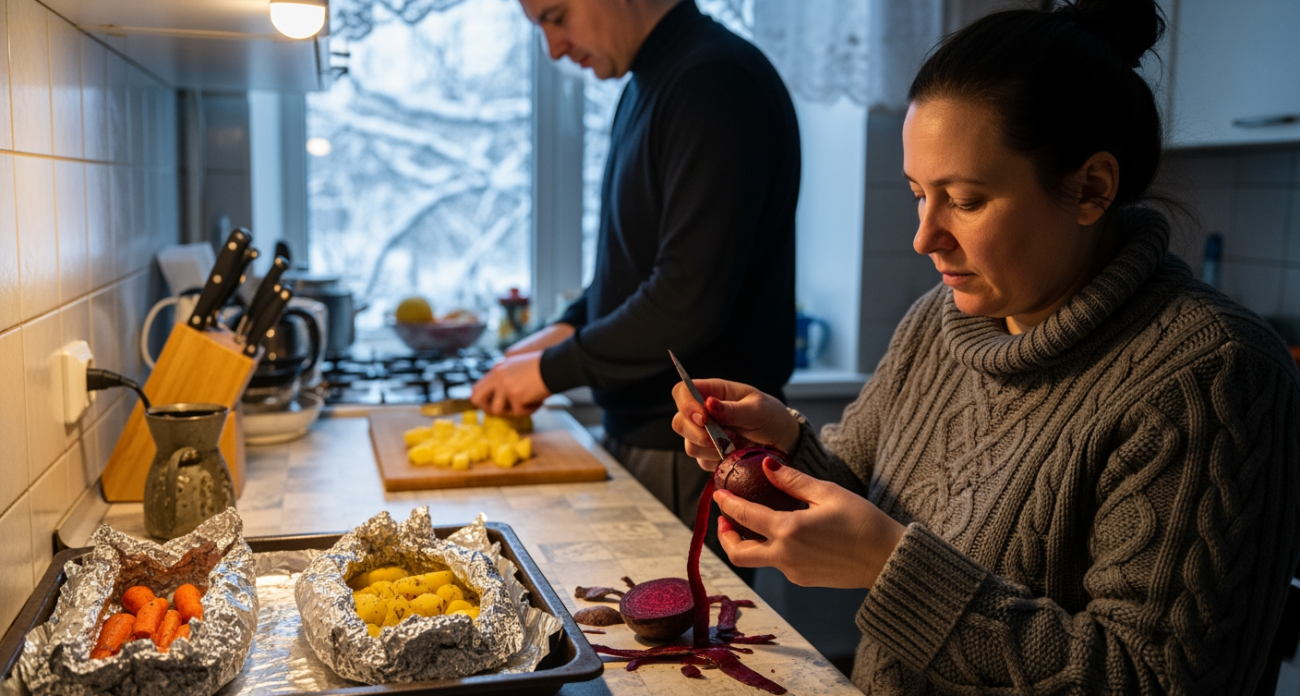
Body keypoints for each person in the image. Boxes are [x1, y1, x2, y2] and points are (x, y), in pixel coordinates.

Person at [671, 0, 1300, 693]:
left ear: (1091, 188)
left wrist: (890, 568)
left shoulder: (1212, 375)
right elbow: (863, 499)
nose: (925, 237)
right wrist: (781, 448)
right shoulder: (937, 323)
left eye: (964, 201)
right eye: (918, 195)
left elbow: (1158, 678)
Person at [472, 0, 801, 537]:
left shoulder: (714, 84)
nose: (552, 48)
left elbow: (686, 297)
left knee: (688, 620)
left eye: (555, 17)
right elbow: (633, 262)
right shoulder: (658, 80)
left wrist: (550, 370)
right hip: (656, 435)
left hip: (689, 445)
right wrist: (568, 327)